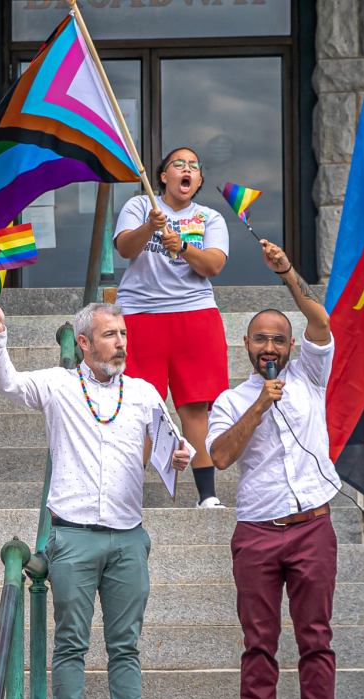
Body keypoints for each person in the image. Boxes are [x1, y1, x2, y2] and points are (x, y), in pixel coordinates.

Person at [0, 296, 191, 699]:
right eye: (110, 336)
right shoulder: (58, 384)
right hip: (73, 536)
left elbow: (174, 443)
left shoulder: (142, 392)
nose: (120, 344)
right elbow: (6, 383)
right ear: (82, 343)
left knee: (125, 644)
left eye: (123, 336)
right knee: (71, 641)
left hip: (128, 535)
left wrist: (179, 456)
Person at [207, 240, 340, 699]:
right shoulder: (230, 400)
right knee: (259, 641)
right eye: (261, 338)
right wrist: (260, 406)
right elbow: (219, 456)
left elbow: (322, 320)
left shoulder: (311, 376)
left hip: (312, 525)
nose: (270, 347)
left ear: (290, 346)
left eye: (279, 339)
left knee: (316, 638)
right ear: (245, 343)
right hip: (258, 531)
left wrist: (287, 271)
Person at [114, 146, 229, 509]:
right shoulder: (138, 207)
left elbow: (213, 265)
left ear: (198, 181)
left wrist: (181, 247)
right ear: (163, 176)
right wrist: (151, 224)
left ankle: (207, 495)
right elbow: (124, 249)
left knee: (195, 407)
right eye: (179, 164)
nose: (187, 170)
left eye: (194, 166)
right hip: (140, 315)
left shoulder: (210, 218)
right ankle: (126, 492)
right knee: (141, 406)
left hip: (194, 316)